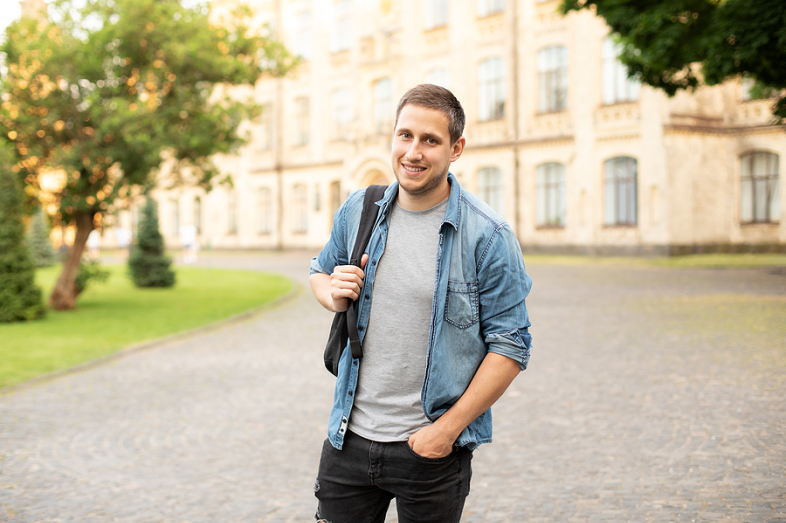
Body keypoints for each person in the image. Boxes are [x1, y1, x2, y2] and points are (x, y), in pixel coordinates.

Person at [309, 84, 533, 523]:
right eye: (405, 135)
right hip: (348, 440)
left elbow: (511, 346)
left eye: (430, 140)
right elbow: (319, 272)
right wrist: (332, 294)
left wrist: (445, 432)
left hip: (429, 450)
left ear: (456, 149)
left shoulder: (487, 236)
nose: (413, 152)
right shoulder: (360, 208)